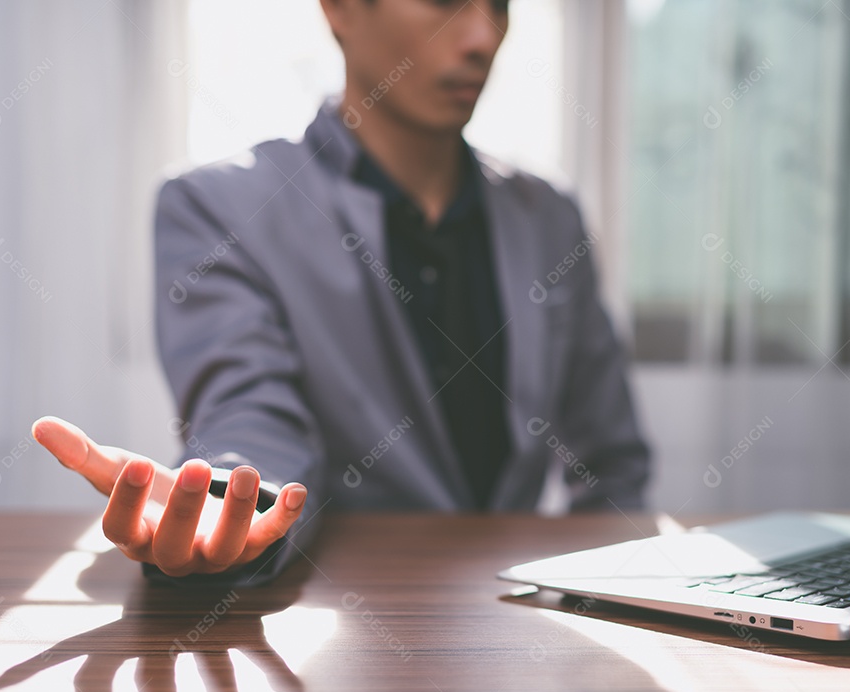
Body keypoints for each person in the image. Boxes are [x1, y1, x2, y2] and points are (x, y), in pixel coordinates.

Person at [33, 0, 651, 587]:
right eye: (443, 3)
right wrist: (233, 503)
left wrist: (605, 599)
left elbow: (612, 460)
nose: (482, 37)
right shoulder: (220, 209)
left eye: (499, 5)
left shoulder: (547, 216)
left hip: (523, 634)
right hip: (347, 631)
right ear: (340, 9)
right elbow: (252, 412)